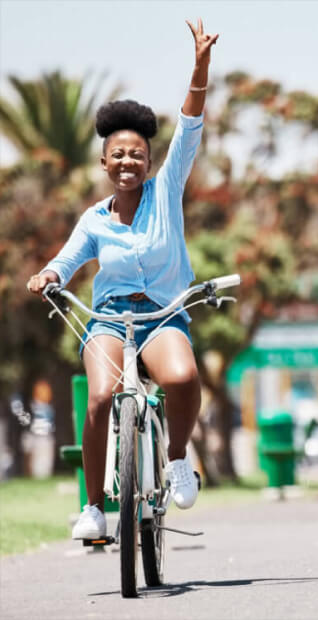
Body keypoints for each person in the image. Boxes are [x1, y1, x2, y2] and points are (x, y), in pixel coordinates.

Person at [26, 19, 219, 538]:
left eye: (137, 153)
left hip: (161, 315)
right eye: (118, 154)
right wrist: (48, 274)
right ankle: (92, 508)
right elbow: (67, 260)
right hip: (109, 319)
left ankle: (177, 457)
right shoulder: (94, 219)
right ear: (105, 162)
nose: (128, 160)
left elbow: (191, 123)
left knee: (180, 378)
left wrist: (199, 67)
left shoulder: (166, 189)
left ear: (150, 160)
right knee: (101, 396)